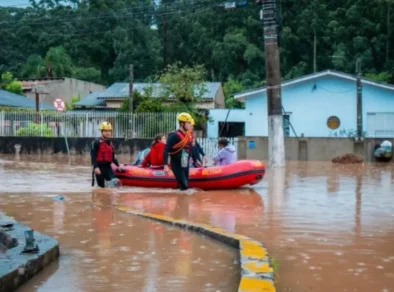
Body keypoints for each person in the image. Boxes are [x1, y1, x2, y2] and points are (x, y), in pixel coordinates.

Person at [163, 112, 195, 190]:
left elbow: (190, 149)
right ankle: (184, 201)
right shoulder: (174, 135)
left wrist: (195, 160)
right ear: (182, 124)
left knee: (182, 185)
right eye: (188, 123)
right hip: (177, 164)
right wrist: (165, 165)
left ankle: (179, 200)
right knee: (185, 187)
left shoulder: (187, 136)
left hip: (185, 164)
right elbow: (166, 150)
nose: (190, 125)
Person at [91, 122, 121, 188]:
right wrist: (96, 167)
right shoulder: (96, 142)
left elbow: (113, 156)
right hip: (99, 167)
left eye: (109, 131)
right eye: (105, 131)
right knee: (101, 187)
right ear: (101, 132)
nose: (108, 133)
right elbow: (93, 156)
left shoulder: (110, 143)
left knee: (115, 183)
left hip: (108, 167)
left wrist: (118, 165)